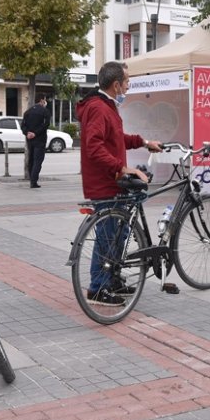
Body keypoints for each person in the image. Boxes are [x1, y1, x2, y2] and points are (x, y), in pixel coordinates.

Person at [77, 61, 161, 305]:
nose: (128, 84)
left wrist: (143, 142)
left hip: (112, 183)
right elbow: (94, 147)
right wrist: (122, 168)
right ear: (116, 85)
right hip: (105, 184)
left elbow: (116, 138)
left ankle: (111, 279)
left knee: (118, 233)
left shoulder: (106, 106)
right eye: (127, 80)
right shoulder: (98, 108)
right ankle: (98, 288)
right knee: (107, 236)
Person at [22, 94, 51, 188]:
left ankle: (31, 179)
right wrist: (35, 133)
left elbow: (23, 125)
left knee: (31, 159)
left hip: (30, 140)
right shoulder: (45, 111)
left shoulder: (27, 112)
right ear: (42, 100)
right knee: (38, 161)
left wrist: (27, 133)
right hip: (40, 139)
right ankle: (33, 182)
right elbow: (46, 125)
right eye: (45, 100)